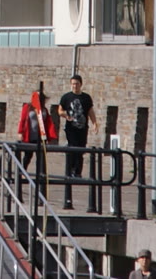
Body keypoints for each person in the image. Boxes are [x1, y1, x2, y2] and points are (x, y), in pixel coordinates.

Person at [59, 73, 97, 208]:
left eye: (77, 84)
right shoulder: (66, 97)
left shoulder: (86, 98)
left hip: (82, 127)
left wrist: (95, 123)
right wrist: (65, 115)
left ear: (81, 84)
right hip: (71, 128)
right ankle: (70, 170)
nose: (75, 86)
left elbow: (90, 111)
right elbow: (60, 110)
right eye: (73, 84)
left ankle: (78, 171)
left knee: (81, 148)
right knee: (72, 147)